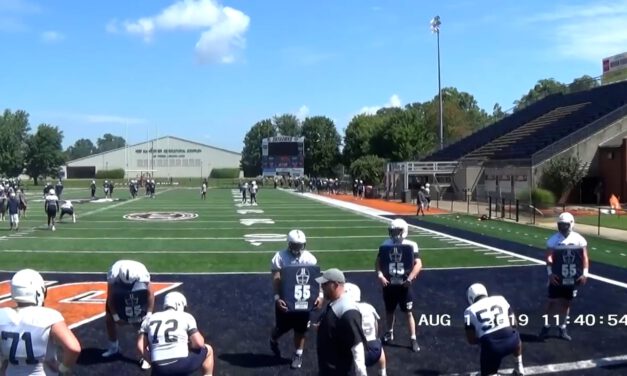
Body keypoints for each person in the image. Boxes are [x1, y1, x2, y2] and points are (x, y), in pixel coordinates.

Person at [0, 269, 81, 375]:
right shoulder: (49, 316)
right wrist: (63, 368)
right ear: (38, 291)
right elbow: (73, 348)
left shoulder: (2, 315)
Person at [269, 229, 322, 369]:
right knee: (282, 327)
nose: (298, 249)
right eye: (295, 245)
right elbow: (276, 279)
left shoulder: (310, 258)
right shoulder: (279, 257)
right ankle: (273, 338)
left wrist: (320, 295)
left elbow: (316, 278)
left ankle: (298, 354)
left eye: (300, 245)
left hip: (303, 298)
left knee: (301, 328)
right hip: (286, 298)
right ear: (289, 244)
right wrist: (277, 298)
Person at [137, 292, 214, 376]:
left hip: (159, 368)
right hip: (181, 365)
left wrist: (151, 360)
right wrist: (189, 347)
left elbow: (140, 347)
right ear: (179, 304)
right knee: (208, 350)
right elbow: (199, 344)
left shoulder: (149, 319)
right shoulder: (186, 317)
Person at [539, 212, 589, 341]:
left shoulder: (579, 239)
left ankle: (562, 327)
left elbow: (584, 257)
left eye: (565, 225)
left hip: (571, 277)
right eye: (560, 225)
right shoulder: (553, 240)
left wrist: (585, 273)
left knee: (566, 303)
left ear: (571, 224)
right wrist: (550, 273)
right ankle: (546, 326)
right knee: (551, 302)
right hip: (557, 276)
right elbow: (548, 256)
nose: (562, 227)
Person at [374, 218, 422, 352]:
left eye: (396, 231)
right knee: (389, 311)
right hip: (389, 284)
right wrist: (380, 275)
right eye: (392, 231)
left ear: (403, 231)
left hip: (404, 285)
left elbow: (418, 263)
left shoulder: (411, 245)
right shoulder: (386, 244)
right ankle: (389, 332)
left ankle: (413, 338)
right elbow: (378, 261)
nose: (394, 234)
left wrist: (410, 279)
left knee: (408, 313)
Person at [102, 259, 155, 370]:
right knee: (109, 318)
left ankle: (144, 356)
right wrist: (116, 317)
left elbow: (150, 294)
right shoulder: (113, 274)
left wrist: (149, 314)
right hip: (119, 291)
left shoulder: (142, 274)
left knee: (142, 323)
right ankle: (113, 347)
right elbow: (110, 297)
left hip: (137, 288)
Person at [464, 283, 525, 376]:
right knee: (515, 335)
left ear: (470, 298)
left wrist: (484, 340)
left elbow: (471, 340)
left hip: (492, 347)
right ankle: (519, 367)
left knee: (488, 372)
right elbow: (514, 324)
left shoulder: (468, 312)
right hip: (512, 342)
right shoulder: (500, 299)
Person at [316, 269, 367, 376]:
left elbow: (357, 345)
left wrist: (361, 373)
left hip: (339, 371)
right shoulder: (335, 303)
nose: (322, 288)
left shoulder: (348, 310)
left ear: (335, 285)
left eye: (325, 284)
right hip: (328, 369)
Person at [344, 283, 387, 376]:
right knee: (378, 342)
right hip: (375, 351)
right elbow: (376, 326)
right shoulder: (369, 307)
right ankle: (383, 372)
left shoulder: (347, 310)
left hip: (359, 353)